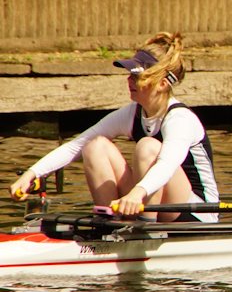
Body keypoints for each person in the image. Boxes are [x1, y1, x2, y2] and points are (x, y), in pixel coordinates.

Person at [9, 32, 219, 222]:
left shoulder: (180, 118)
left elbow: (167, 164)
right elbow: (76, 145)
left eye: (137, 76)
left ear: (163, 83)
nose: (129, 80)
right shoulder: (132, 113)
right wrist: (32, 173)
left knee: (147, 146)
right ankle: (110, 224)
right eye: (130, 74)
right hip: (151, 200)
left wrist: (138, 192)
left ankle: (144, 230)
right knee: (94, 145)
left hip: (195, 211)